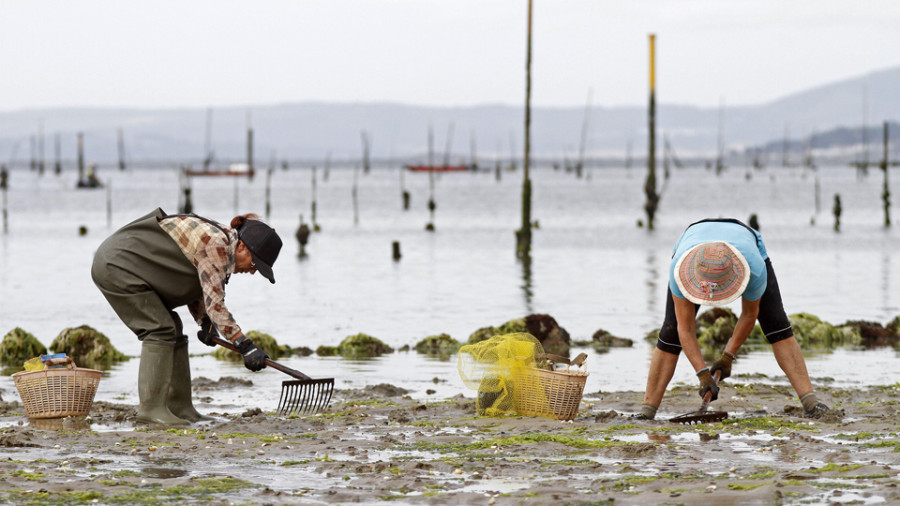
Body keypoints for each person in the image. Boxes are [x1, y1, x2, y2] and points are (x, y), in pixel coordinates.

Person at [91, 208, 283, 425]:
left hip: (125, 265)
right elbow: (216, 304)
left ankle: (180, 408)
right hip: (116, 266)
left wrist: (205, 322)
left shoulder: (220, 243)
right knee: (160, 329)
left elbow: (197, 285)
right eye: (255, 264)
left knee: (173, 326)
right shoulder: (217, 244)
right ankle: (151, 410)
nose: (252, 271)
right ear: (242, 246)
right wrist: (244, 343)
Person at [638, 218, 829, 420]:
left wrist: (728, 356)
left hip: (744, 242)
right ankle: (647, 411)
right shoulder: (679, 269)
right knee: (670, 331)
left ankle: (810, 403)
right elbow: (684, 328)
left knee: (777, 325)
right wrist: (702, 374)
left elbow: (749, 314)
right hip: (693, 243)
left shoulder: (754, 268)